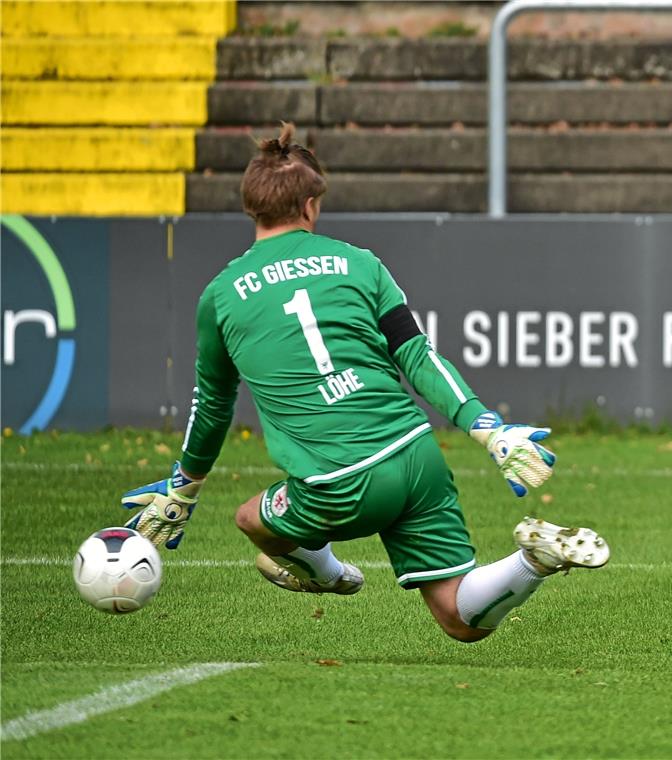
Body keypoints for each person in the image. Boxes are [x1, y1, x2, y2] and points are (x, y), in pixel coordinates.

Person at [120, 123, 609, 642]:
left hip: (338, 484)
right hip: (414, 455)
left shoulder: (219, 296)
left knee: (251, 521)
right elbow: (418, 355)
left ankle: (331, 576)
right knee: (459, 618)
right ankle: (533, 559)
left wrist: (184, 487)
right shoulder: (360, 263)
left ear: (251, 208)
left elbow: (213, 405)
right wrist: (487, 428)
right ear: (309, 205)